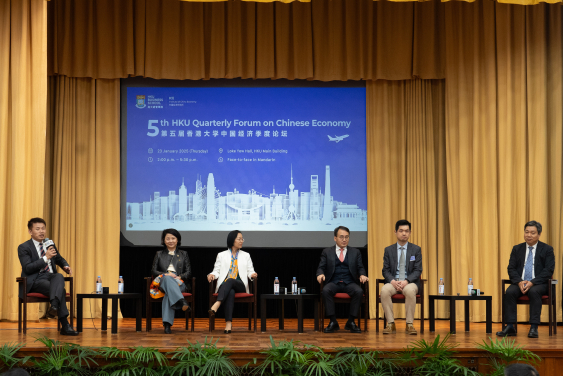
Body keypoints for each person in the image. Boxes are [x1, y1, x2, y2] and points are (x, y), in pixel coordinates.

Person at [17, 218, 77, 336]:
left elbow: (58, 258)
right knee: (61, 290)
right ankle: (65, 325)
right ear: (30, 231)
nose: (41, 231)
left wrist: (65, 265)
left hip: (50, 276)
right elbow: (28, 268)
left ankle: (54, 305)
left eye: (43, 228)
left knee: (59, 275)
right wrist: (46, 258)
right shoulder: (23, 247)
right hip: (35, 279)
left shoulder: (49, 243)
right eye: (37, 229)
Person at [497, 221, 555, 339]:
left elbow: (549, 270)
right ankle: (510, 326)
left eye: (532, 233)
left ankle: (534, 327)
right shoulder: (517, 249)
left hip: (539, 283)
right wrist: (519, 281)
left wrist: (532, 282)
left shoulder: (547, 249)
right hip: (520, 282)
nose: (529, 235)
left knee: (534, 291)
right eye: (527, 232)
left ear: (539, 234)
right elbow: (511, 268)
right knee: (510, 292)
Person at [317, 226, 368, 333]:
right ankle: (333, 321)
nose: (344, 240)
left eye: (346, 237)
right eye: (341, 237)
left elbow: (360, 267)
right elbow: (321, 267)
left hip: (349, 282)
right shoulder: (327, 252)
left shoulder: (355, 252)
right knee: (326, 290)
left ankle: (351, 321)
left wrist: (362, 274)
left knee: (359, 291)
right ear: (335, 238)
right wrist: (320, 274)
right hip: (333, 282)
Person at [207, 230, 257, 334]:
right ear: (232, 240)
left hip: (240, 285)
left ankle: (218, 303)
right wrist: (211, 275)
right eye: (239, 239)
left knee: (230, 280)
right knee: (230, 292)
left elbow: (250, 270)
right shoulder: (221, 255)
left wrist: (252, 274)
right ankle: (228, 324)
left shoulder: (246, 255)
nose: (241, 241)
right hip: (225, 287)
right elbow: (216, 271)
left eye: (242, 239)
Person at [380, 220, 422, 335]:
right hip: (394, 281)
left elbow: (418, 270)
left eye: (407, 231)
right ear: (395, 232)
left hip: (410, 282)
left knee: (409, 290)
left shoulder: (416, 249)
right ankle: (390, 324)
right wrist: (393, 281)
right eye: (401, 231)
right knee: (384, 290)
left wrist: (406, 281)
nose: (404, 233)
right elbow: (385, 270)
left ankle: (409, 324)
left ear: (410, 233)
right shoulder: (388, 250)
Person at [150, 228, 191, 334]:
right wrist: (167, 274)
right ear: (164, 240)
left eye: (173, 238)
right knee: (167, 279)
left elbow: (188, 272)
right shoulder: (159, 254)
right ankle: (181, 301)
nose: (170, 241)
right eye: (168, 238)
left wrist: (180, 276)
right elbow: (154, 271)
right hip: (163, 281)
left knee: (169, 294)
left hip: (179, 283)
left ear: (177, 240)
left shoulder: (183, 254)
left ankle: (167, 325)